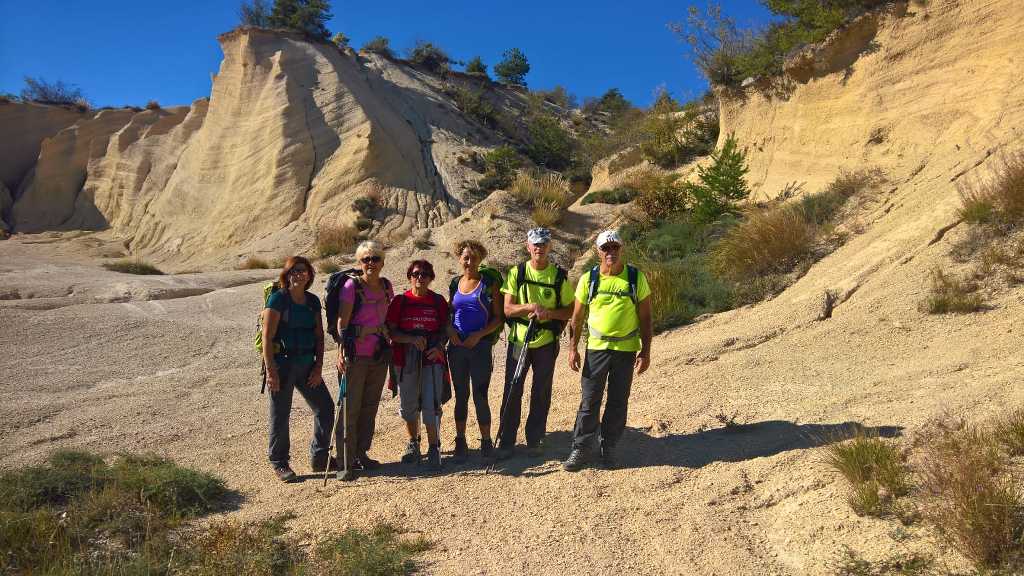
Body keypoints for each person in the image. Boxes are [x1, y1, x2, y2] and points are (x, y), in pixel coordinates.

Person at [564, 230, 652, 471]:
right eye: (606, 248)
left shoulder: (635, 278)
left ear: (620, 249)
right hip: (597, 349)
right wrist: (573, 349)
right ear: (598, 251)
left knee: (617, 401)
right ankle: (581, 448)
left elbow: (645, 318)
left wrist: (646, 352)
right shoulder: (588, 279)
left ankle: (609, 447)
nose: (610, 252)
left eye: (615, 248)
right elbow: (577, 318)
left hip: (626, 350)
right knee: (590, 400)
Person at [495, 227, 574, 460]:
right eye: (535, 244)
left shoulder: (558, 277)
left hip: (546, 342)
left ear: (550, 246)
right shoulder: (517, 273)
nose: (539, 248)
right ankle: (507, 440)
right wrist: (530, 307)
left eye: (543, 244)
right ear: (527, 246)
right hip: (520, 339)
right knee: (513, 388)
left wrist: (549, 313)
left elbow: (570, 309)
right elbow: (507, 309)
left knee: (541, 391)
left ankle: (535, 439)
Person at [262, 256, 333, 482]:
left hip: (306, 364)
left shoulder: (312, 301)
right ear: (287, 274)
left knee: (325, 407)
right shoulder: (277, 300)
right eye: (294, 271)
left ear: (310, 275)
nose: (299, 274)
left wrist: (318, 367)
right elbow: (267, 338)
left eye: (303, 271)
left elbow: (319, 337)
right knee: (280, 415)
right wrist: (271, 371)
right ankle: (280, 463)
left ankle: (320, 457)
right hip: (282, 365)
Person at [334, 240, 393, 481]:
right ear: (359, 262)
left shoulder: (387, 286)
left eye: (375, 258)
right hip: (355, 356)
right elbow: (342, 325)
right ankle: (344, 462)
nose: (371, 263)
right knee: (350, 409)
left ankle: (361, 453)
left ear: (382, 262)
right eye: (366, 259)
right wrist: (341, 352)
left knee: (369, 408)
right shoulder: (351, 286)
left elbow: (388, 318)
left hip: (378, 356)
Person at [387, 260, 450, 470]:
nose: (419, 278)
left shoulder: (438, 301)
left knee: (432, 403)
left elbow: (444, 329)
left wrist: (439, 347)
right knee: (409, 404)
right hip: (406, 360)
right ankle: (413, 443)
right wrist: (410, 340)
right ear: (409, 277)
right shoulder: (400, 302)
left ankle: (434, 446)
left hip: (431, 357)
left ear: (431, 278)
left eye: (424, 274)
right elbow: (392, 332)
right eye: (415, 274)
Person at [446, 240, 505, 462]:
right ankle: (460, 440)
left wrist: (479, 335)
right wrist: (450, 332)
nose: (469, 262)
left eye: (473, 257)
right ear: (459, 259)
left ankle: (486, 442)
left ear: (481, 259)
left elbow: (498, 317)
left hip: (479, 346)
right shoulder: (455, 284)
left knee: (480, 395)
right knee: (461, 395)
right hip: (457, 346)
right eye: (465, 257)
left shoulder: (488, 284)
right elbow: (449, 312)